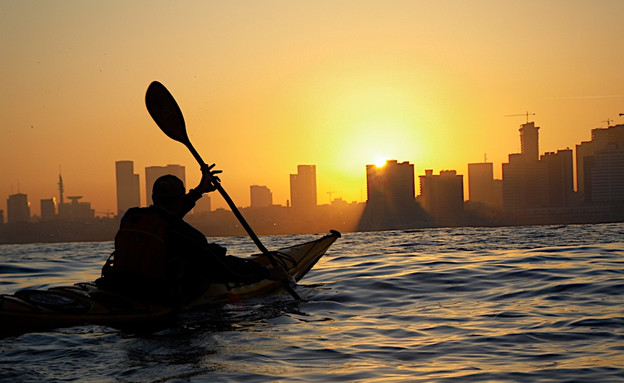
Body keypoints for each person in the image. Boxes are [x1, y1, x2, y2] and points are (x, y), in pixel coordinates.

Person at [96, 164, 289, 306]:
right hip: (156, 297)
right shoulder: (185, 235)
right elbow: (219, 267)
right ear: (179, 200)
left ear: (153, 198)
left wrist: (199, 191)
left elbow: (164, 218)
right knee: (212, 254)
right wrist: (266, 273)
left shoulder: (131, 217)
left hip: (117, 287)